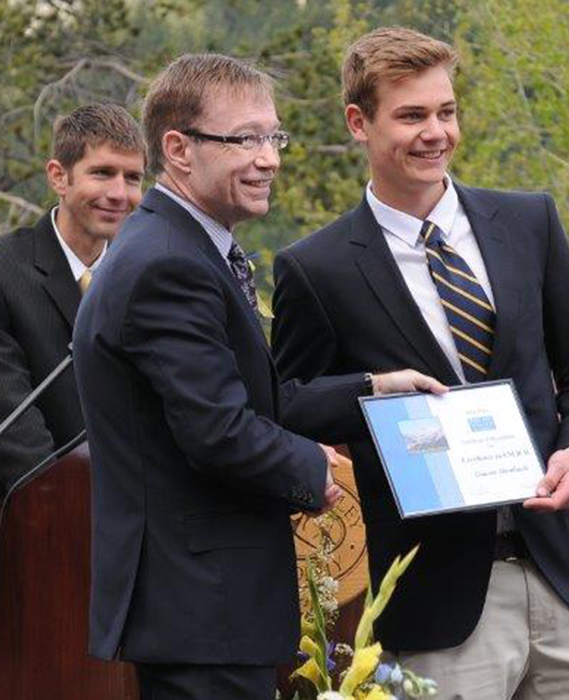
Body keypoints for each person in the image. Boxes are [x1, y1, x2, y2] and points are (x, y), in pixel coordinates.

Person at [272, 27, 569, 698]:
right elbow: (286, 401)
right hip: (438, 603)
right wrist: (372, 388)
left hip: (568, 576)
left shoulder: (529, 223)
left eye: (445, 112)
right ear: (359, 122)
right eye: (411, 115)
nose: (435, 132)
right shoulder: (316, 268)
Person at [71, 53, 440, 700]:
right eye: (244, 139)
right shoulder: (168, 265)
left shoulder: (184, 248)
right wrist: (311, 470)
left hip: (209, 608)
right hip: (199, 604)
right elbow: (217, 430)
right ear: (179, 149)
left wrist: (373, 388)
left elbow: (254, 401)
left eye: (274, 137)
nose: (269, 158)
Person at [0, 103, 145, 699]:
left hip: (118, 567)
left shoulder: (150, 278)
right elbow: (17, 438)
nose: (120, 193)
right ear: (58, 175)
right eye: (102, 174)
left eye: (132, 177)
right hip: (4, 556)